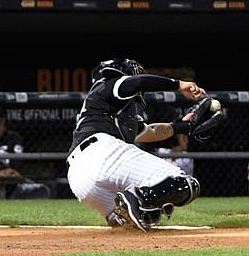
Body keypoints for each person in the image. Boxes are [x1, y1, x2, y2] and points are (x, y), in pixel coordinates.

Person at [66, 58, 206, 231]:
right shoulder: (108, 84)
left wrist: (182, 126)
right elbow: (138, 82)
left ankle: (120, 215)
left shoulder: (110, 108)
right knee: (185, 184)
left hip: (80, 179)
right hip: (101, 152)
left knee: (137, 221)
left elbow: (150, 132)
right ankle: (137, 198)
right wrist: (180, 84)